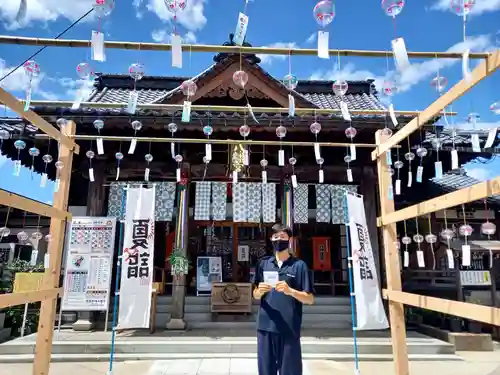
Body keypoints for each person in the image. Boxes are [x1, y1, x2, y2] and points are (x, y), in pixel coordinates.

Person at [252, 223, 314, 375]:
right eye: (276, 236)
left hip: (289, 327)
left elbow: (310, 299)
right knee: (266, 370)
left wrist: (291, 291)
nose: (279, 239)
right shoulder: (263, 264)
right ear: (271, 239)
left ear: (289, 239)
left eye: (283, 236)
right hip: (266, 326)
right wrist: (259, 292)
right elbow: (254, 293)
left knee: (290, 371)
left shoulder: (299, 266)